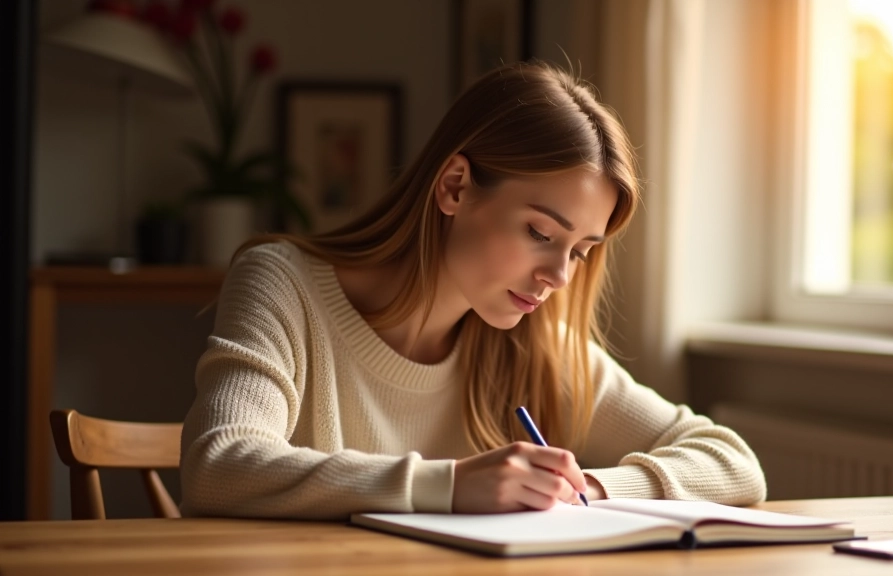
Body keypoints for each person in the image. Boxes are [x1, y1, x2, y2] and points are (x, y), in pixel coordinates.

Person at [179, 61, 766, 519]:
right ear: (456, 187)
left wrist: (582, 487)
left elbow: (733, 462)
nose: (560, 276)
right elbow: (219, 465)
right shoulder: (282, 284)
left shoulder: (536, 342)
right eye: (540, 232)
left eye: (581, 251)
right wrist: (451, 485)